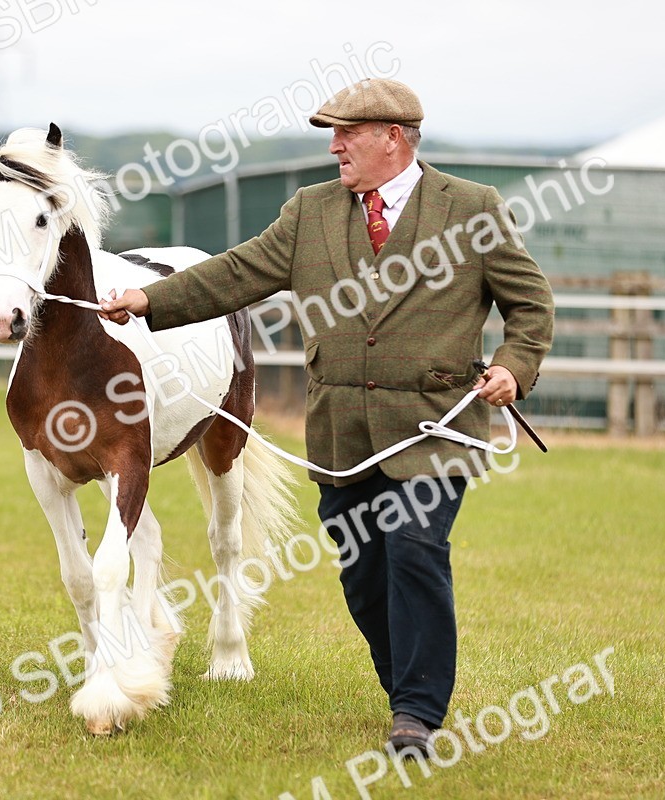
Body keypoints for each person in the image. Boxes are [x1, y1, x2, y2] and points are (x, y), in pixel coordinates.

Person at [99, 77, 555, 754]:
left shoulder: (472, 209)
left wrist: (514, 368)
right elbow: (237, 273)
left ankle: (417, 715)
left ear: (393, 138)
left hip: (437, 430)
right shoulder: (311, 211)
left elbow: (531, 306)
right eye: (332, 134)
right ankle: (406, 685)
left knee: (415, 552)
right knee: (364, 574)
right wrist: (148, 299)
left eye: (347, 134)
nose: (335, 146)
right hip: (341, 436)